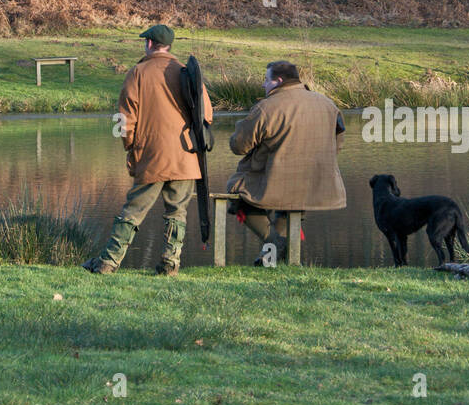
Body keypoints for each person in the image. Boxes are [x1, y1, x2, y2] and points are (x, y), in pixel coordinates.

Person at [82, 24, 213, 276]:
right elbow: (207, 114)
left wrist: (129, 146)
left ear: (150, 44)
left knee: (133, 209)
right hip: (187, 156)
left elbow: (124, 118)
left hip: (152, 156)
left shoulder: (138, 73)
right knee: (177, 212)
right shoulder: (187, 72)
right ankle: (170, 264)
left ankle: (108, 263)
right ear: (169, 46)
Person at [226, 60, 345, 264]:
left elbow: (239, 147)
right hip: (316, 183)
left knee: (237, 194)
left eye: (266, 80)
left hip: (275, 181)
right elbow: (338, 143)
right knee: (288, 207)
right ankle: (269, 259)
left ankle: (274, 242)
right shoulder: (328, 104)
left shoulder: (266, 108)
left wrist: (241, 126)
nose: (263, 85)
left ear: (278, 81)